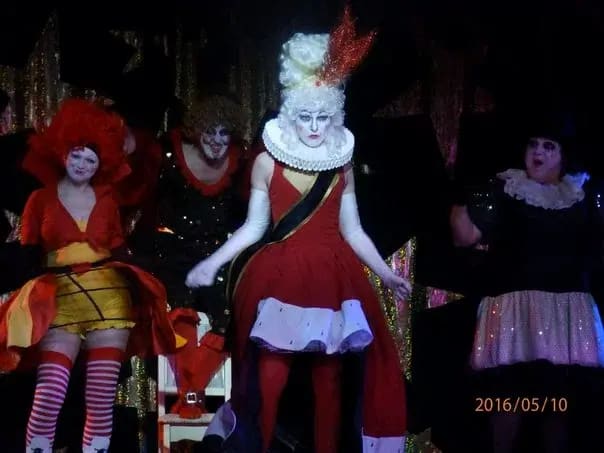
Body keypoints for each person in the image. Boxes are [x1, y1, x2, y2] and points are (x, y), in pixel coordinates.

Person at [187, 8, 410, 453]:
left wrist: (386, 275)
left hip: (332, 277)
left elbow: (354, 231)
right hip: (282, 275)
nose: (313, 128)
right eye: (305, 117)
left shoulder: (342, 165)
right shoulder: (267, 163)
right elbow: (254, 226)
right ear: (292, 114)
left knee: (329, 384)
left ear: (333, 117)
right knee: (270, 376)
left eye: (321, 118)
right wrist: (212, 263)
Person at [0, 98, 184, 453]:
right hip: (61, 299)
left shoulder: (109, 200)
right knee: (50, 392)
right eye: (77, 156)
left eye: (91, 159)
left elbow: (119, 247)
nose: (82, 165)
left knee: (100, 398)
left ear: (101, 164)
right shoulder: (39, 199)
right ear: (63, 153)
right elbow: (27, 255)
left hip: (109, 299)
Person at [449, 114, 604, 453]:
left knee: (556, 405)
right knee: (508, 399)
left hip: (563, 314)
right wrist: (459, 194)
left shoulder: (581, 194)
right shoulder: (508, 188)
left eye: (549, 146)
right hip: (514, 313)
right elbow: (466, 237)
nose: (538, 152)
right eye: (533, 144)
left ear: (563, 156)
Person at [153, 94, 248, 418]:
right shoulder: (170, 156)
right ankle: (188, 392)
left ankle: (192, 390)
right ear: (196, 131)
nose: (217, 140)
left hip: (216, 253)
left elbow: (246, 214)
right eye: (210, 131)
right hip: (172, 251)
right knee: (181, 309)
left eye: (224, 133)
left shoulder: (239, 163)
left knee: (227, 314)